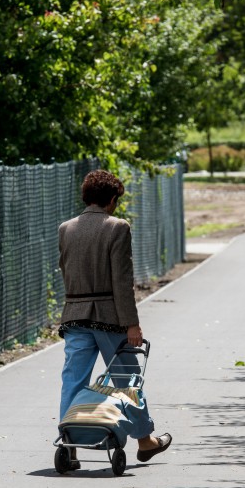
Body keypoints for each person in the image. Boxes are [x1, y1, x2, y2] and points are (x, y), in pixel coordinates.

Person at [56, 169, 172, 470]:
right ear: (111, 200)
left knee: (73, 381)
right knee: (127, 380)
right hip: (109, 318)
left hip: (74, 315)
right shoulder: (116, 227)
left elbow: (65, 270)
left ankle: (69, 446)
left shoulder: (65, 229)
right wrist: (131, 323)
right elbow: (122, 281)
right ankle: (145, 441)